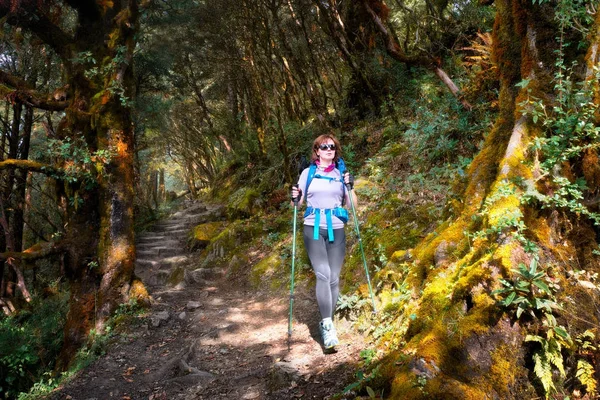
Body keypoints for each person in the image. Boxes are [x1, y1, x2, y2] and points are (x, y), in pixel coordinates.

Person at [291, 134, 357, 349]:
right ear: (317, 151)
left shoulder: (341, 174)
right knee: (323, 273)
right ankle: (328, 325)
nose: (329, 149)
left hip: (336, 227)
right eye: (324, 146)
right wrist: (294, 197)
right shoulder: (307, 173)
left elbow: (352, 205)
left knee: (334, 278)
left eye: (332, 146)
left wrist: (351, 187)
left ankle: (327, 318)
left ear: (336, 151)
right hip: (313, 226)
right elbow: (297, 204)